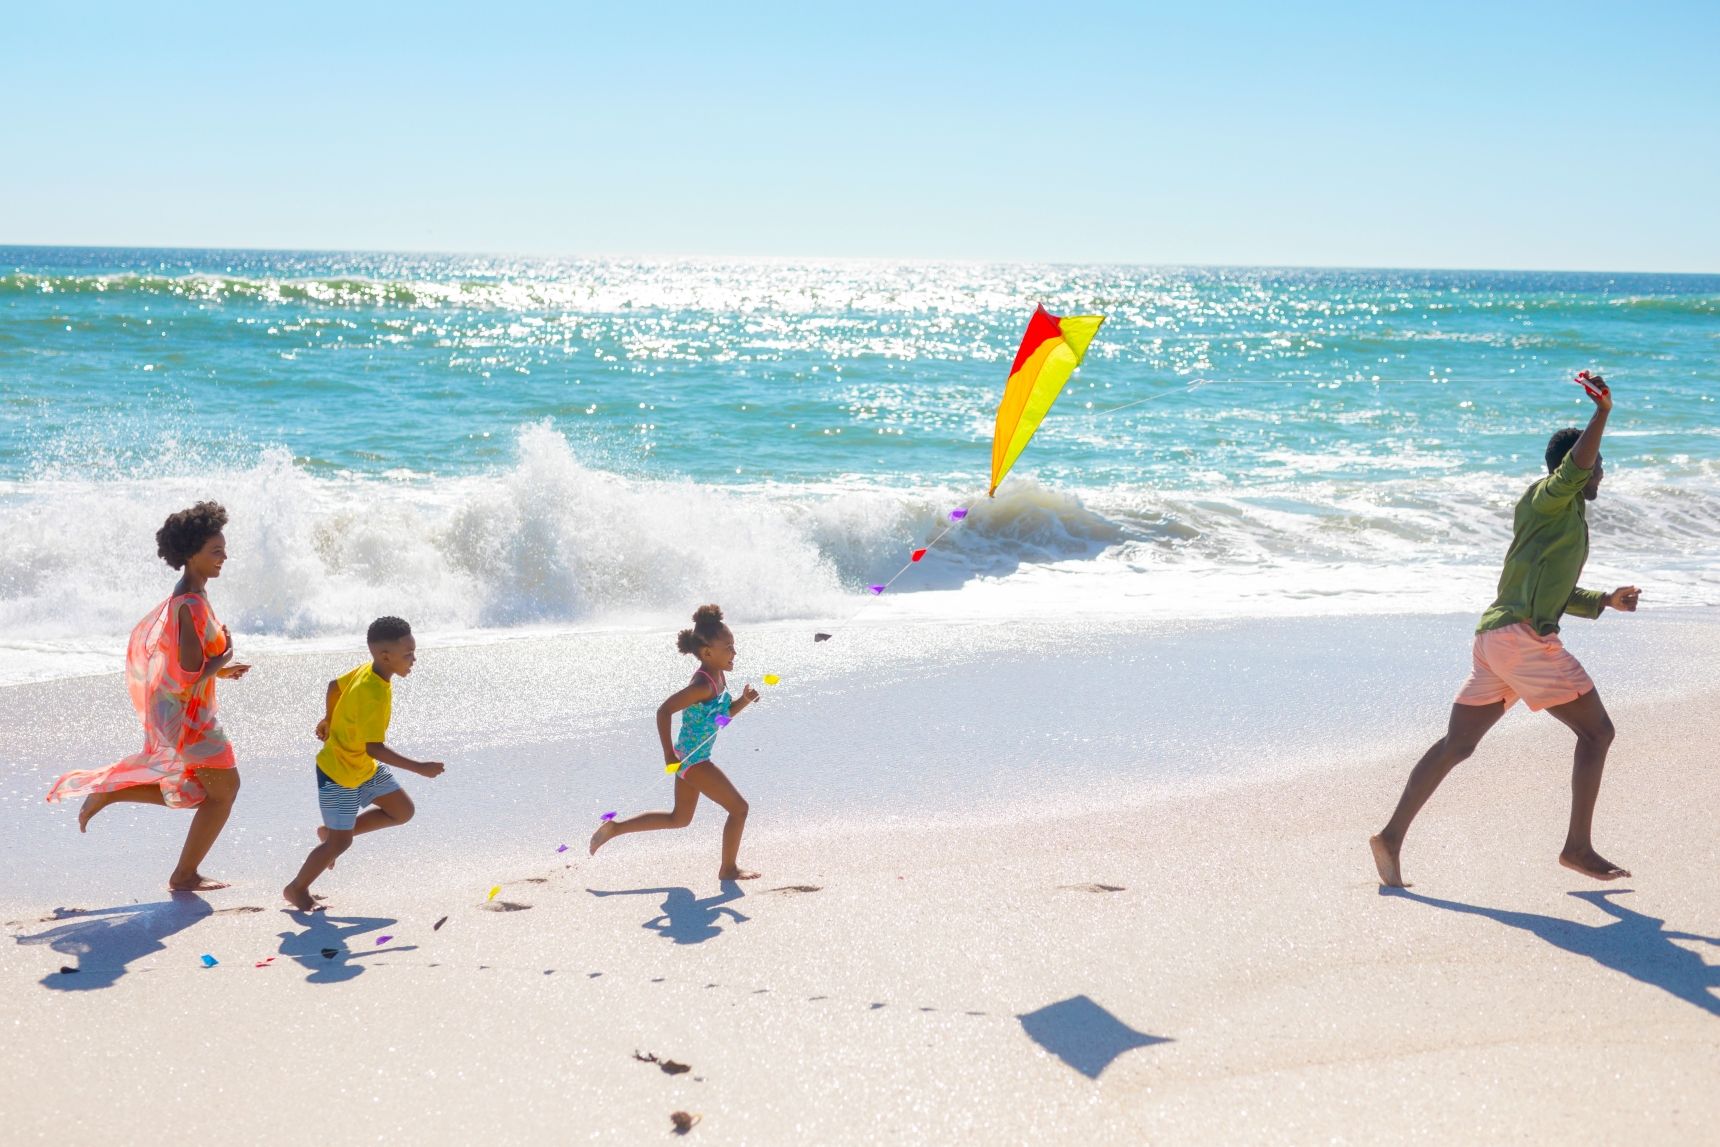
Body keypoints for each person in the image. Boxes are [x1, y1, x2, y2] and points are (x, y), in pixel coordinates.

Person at [1371, 375, 1641, 887]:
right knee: (1597, 732)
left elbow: (1553, 593)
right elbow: (1575, 466)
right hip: (1520, 640)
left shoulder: (1564, 519)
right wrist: (1603, 413)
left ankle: (1389, 837)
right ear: (1573, 468)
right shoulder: (1549, 498)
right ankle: (1577, 848)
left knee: (1457, 744)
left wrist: (1605, 599)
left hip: (1495, 640)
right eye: (1597, 465)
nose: (1601, 471)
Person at [47, 501, 252, 891]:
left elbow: (181, 664)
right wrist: (221, 660)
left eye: (224, 549)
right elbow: (186, 676)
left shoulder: (193, 592)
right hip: (185, 715)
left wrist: (220, 670)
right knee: (222, 792)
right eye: (216, 550)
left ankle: (116, 797)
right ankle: (182, 874)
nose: (224, 556)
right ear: (191, 554)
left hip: (183, 709)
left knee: (204, 792)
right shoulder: (190, 603)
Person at [589, 604, 761, 881]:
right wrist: (669, 756)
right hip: (692, 761)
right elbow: (664, 711)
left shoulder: (719, 676)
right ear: (707, 653)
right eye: (728, 647)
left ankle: (615, 828)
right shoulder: (702, 685)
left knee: (679, 819)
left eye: (734, 645)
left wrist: (743, 701)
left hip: (690, 756)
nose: (734, 652)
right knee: (739, 809)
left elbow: (719, 719)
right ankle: (728, 869)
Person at [282, 616, 444, 910]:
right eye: (408, 654)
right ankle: (297, 889)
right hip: (339, 773)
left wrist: (328, 719)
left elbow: (334, 686)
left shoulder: (371, 672)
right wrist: (419, 767)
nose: (414, 659)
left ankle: (331, 833)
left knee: (402, 810)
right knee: (340, 845)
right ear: (386, 655)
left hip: (361, 767)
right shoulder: (372, 693)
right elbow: (375, 749)